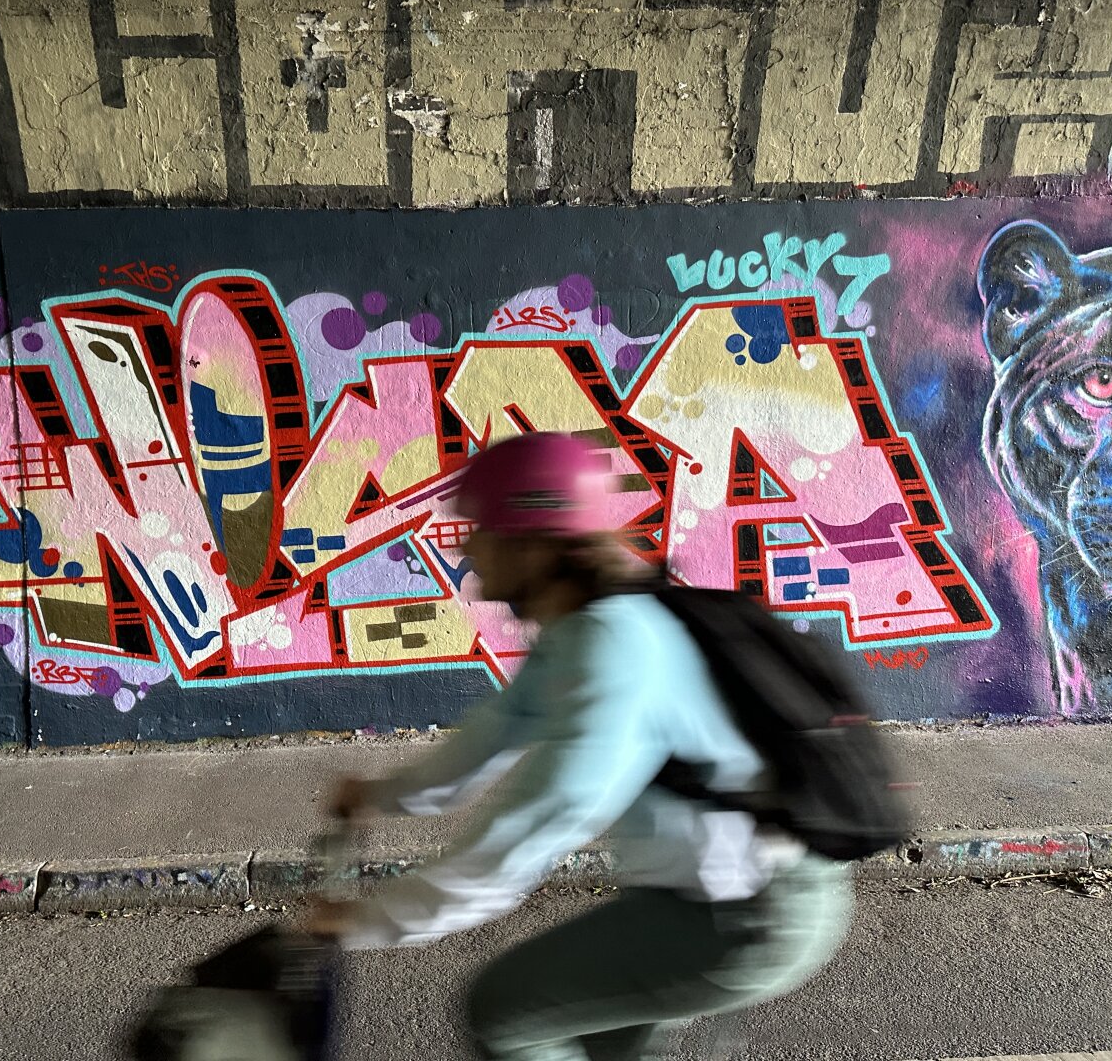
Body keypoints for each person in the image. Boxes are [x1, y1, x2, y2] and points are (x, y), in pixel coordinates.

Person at [302, 432, 851, 1061]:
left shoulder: (611, 650)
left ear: (532, 543)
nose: (467, 551)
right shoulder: (581, 632)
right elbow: (481, 747)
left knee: (504, 1009)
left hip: (748, 915)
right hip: (697, 899)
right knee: (599, 1044)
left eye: (479, 529)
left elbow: (529, 831)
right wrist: (376, 795)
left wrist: (360, 922)